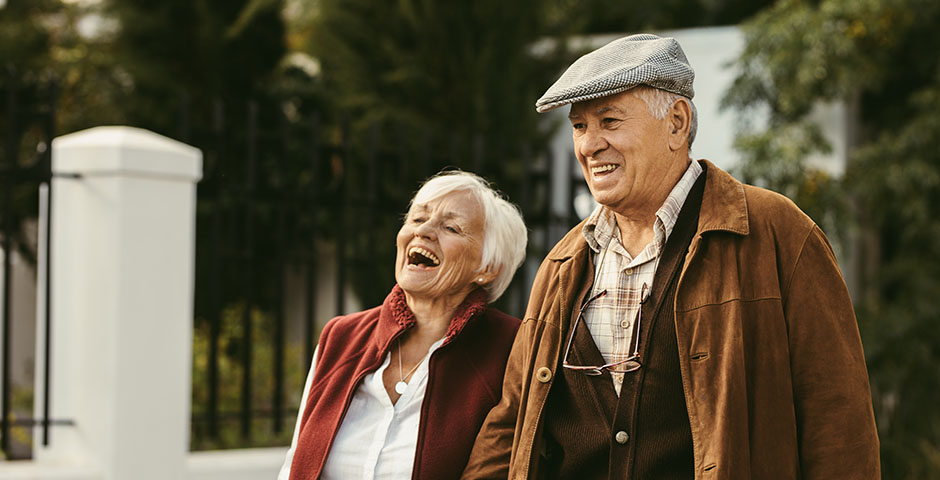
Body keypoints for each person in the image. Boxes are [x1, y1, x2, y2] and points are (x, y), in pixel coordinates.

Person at [462, 33, 879, 479]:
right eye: (580, 126)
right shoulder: (564, 263)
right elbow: (512, 427)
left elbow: (839, 428)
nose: (588, 145)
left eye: (610, 120)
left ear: (677, 123)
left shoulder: (778, 233)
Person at [279, 170, 527, 480]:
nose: (423, 231)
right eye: (417, 218)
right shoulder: (340, 337)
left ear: (487, 268)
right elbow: (295, 465)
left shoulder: (513, 348)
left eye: (451, 227)